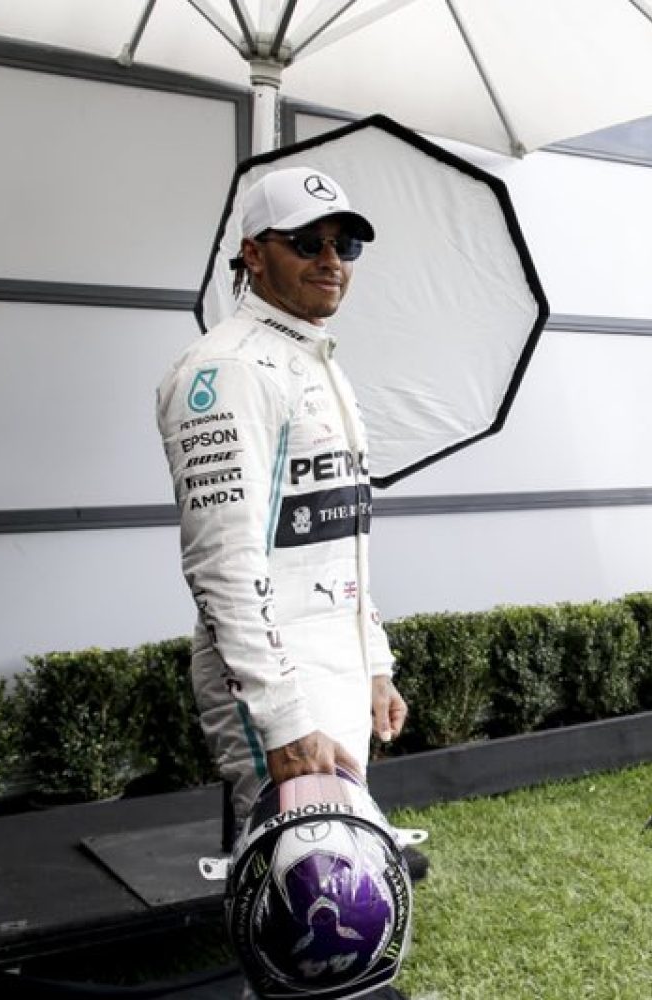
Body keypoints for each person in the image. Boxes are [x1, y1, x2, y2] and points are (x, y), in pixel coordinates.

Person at [155, 167, 407, 833]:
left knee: (334, 880)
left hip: (338, 663)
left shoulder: (321, 363)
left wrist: (374, 664)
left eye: (344, 247)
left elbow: (341, 540)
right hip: (278, 671)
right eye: (306, 243)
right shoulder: (226, 370)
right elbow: (223, 566)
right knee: (309, 880)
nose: (330, 262)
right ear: (253, 254)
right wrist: (285, 717)